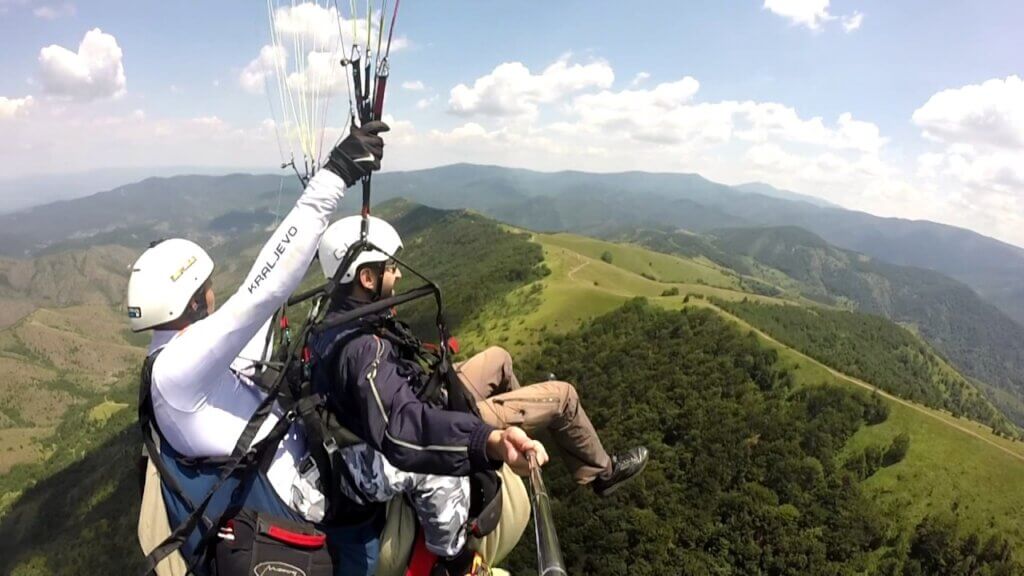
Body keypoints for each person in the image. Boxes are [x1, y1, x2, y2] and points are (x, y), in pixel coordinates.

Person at [128, 122, 543, 576]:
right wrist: (334, 177)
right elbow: (260, 293)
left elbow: (265, 312)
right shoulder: (177, 374)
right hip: (309, 493)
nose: (214, 293)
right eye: (207, 287)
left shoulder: (178, 367)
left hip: (300, 465)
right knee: (427, 462)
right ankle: (456, 562)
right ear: (192, 299)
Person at [308, 215, 648, 568]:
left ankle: (527, 416)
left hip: (423, 392)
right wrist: (485, 439)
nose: (399, 275)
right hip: (435, 417)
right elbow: (402, 426)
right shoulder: (362, 348)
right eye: (391, 268)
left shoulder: (337, 319)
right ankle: (601, 473)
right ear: (367, 278)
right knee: (563, 396)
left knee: (499, 359)